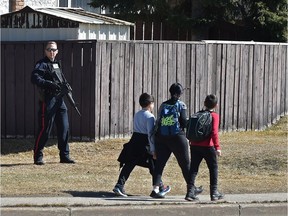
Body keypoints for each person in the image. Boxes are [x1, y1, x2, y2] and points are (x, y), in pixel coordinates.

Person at [150, 83, 203, 199]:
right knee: (185, 164)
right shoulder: (181, 105)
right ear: (180, 93)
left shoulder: (163, 105)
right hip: (177, 137)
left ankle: (155, 189)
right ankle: (191, 189)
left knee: (160, 164)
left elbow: (158, 121)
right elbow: (183, 122)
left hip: (162, 138)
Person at [113, 93, 171, 197]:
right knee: (154, 165)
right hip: (145, 143)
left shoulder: (137, 114)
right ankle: (159, 187)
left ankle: (119, 185)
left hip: (134, 140)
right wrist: (153, 150)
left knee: (129, 163)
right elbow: (150, 134)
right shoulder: (150, 117)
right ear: (150, 104)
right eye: (153, 104)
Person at [31, 41, 75, 165]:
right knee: (45, 129)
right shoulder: (42, 64)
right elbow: (34, 78)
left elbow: (61, 79)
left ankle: (64, 156)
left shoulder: (56, 64)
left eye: (54, 50)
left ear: (57, 51)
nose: (52, 52)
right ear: (45, 51)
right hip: (48, 100)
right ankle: (38, 155)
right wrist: (49, 84)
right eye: (49, 49)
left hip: (59, 100)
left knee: (64, 128)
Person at [186, 94, 224, 201]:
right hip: (208, 146)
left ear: (204, 103)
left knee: (193, 169)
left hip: (194, 145)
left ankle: (190, 192)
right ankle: (214, 192)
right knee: (213, 168)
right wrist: (217, 147)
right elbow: (214, 133)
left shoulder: (197, 114)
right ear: (216, 105)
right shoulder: (214, 116)